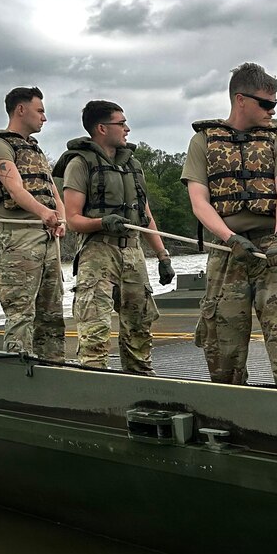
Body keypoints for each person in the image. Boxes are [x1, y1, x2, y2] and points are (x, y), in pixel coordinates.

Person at [181, 63, 277, 386]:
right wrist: (229, 238)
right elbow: (199, 201)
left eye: (274, 104)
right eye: (265, 103)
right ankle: (231, 408)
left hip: (273, 246)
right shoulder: (203, 142)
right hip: (228, 250)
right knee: (222, 342)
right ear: (240, 100)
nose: (272, 110)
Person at [54, 101, 174, 373]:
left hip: (133, 253)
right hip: (98, 253)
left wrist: (162, 255)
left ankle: (141, 380)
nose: (127, 129)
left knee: (139, 326)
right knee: (95, 330)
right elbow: (72, 219)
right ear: (101, 128)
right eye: (121, 123)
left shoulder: (133, 165)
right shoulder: (80, 163)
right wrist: (102, 222)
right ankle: (95, 386)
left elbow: (145, 215)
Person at [0, 87, 67, 360]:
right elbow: (15, 189)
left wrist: (61, 218)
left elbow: (51, 190)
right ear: (21, 110)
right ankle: (19, 371)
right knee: (21, 312)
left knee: (51, 312)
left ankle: (54, 367)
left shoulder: (34, 149)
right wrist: (44, 214)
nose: (44, 118)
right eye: (40, 111)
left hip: (47, 239)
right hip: (17, 239)